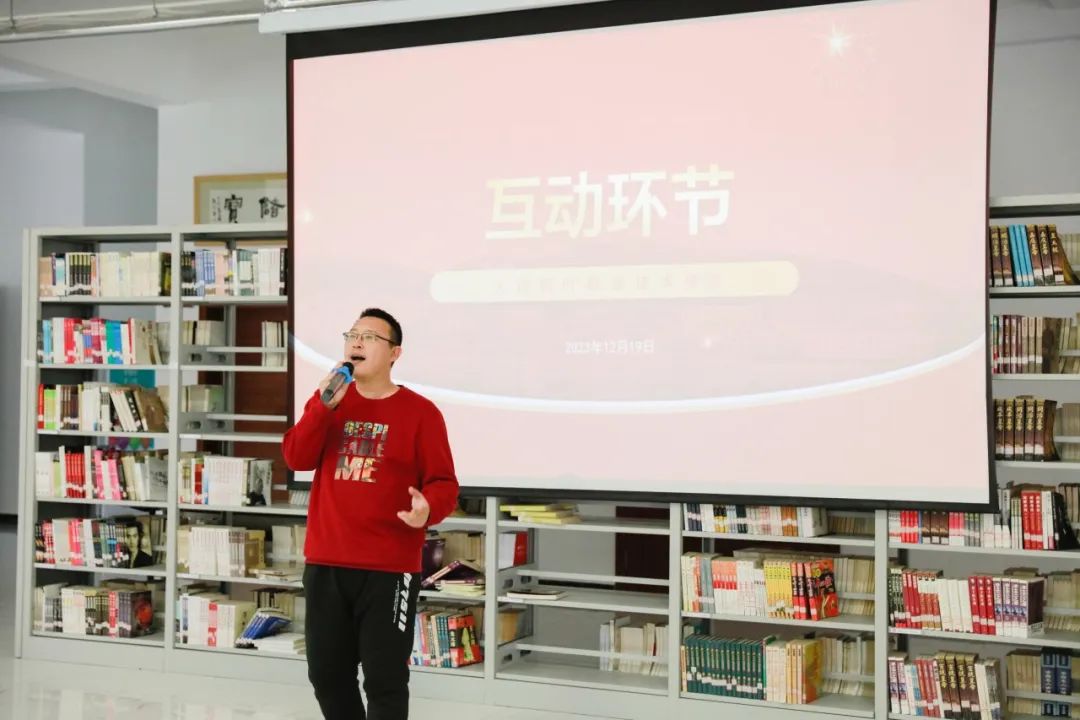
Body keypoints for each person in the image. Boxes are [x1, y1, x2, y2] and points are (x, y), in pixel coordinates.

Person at [282, 308, 459, 720]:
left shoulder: (421, 412)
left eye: (369, 337)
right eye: (351, 335)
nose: (356, 342)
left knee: (385, 681)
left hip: (389, 570)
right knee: (327, 675)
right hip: (327, 562)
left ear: (395, 353)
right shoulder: (328, 403)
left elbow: (444, 483)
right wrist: (321, 408)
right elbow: (296, 458)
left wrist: (427, 508)